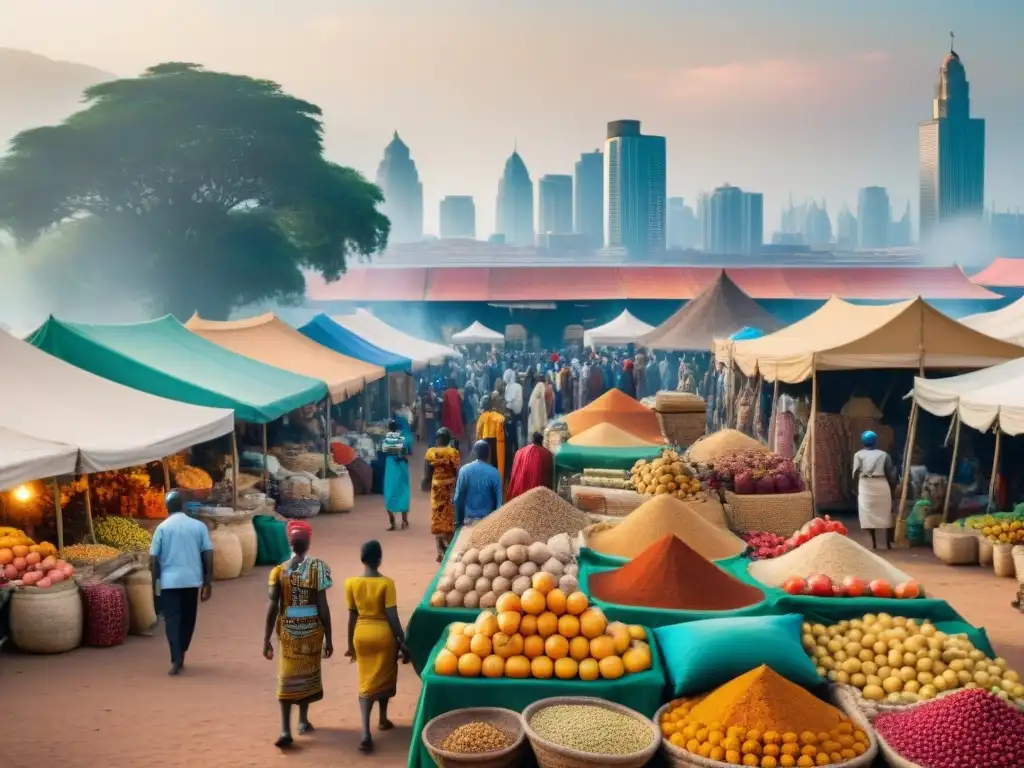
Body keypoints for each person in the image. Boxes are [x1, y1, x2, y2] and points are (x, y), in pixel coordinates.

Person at [263, 520, 333, 749]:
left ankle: (285, 728)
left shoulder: (278, 572)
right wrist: (329, 638)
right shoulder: (319, 568)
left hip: (289, 632)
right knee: (307, 676)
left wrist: (266, 639)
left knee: (286, 679)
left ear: (289, 543)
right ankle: (302, 720)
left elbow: (272, 606)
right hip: (313, 631)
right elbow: (323, 606)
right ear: (309, 542)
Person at [344, 540, 410, 753]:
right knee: (385, 675)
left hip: (361, 635)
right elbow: (392, 616)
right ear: (379, 559)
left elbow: (352, 616)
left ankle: (365, 732)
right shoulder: (386, 584)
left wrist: (350, 644)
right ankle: (382, 719)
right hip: (383, 636)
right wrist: (402, 640)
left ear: (362, 559)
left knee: (366, 681)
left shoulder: (351, 583)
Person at [149, 489, 213, 676]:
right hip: (192, 581)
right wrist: (208, 582)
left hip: (169, 582)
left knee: (172, 620)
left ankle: (175, 656)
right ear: (183, 506)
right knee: (188, 619)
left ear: (167, 507)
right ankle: (182, 651)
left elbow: (153, 559)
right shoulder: (198, 526)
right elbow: (208, 554)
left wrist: (155, 584)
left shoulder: (162, 528)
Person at [852, 430, 898, 550]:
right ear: (875, 441)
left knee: (868, 515)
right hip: (881, 484)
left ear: (863, 441)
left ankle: (874, 544)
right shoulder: (884, 455)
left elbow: (855, 473)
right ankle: (888, 544)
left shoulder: (858, 455)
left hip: (865, 485)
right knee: (886, 514)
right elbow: (890, 473)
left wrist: (855, 488)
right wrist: (893, 488)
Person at [422, 428, 462, 562]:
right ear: (448, 439)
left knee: (437, 517)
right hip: (449, 488)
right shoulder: (453, 453)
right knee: (449, 517)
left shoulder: (431, 453)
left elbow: (427, 473)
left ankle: (440, 551)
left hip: (436, 488)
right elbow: (457, 471)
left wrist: (426, 482)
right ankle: (449, 548)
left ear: (437, 439)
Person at [454, 441, 503, 526]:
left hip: (468, 521)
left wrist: (458, 522)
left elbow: (458, 499)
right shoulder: (495, 473)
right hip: (488, 523)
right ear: (488, 455)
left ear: (474, 453)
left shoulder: (464, 471)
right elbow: (499, 503)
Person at [381, 419, 411, 531]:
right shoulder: (402, 439)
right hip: (402, 467)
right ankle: (404, 521)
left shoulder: (386, 439)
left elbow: (383, 449)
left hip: (391, 468)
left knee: (390, 492)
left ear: (389, 428)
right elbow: (405, 451)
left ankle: (392, 521)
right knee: (403, 491)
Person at [507, 432, 554, 500]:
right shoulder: (547, 454)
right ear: (542, 441)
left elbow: (514, 472)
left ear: (532, 440)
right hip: (537, 494)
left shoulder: (520, 452)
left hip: (519, 493)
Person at [475, 395, 507, 480]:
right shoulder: (498, 416)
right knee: (495, 461)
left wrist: (478, 439)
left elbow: (478, 431)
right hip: (496, 442)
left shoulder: (482, 417)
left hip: (484, 441)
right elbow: (502, 421)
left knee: (486, 461)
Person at [503, 368, 524, 454]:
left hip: (509, 413)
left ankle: (511, 455)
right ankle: (516, 453)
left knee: (510, 436)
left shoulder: (508, 387)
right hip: (516, 414)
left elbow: (507, 400)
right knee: (516, 436)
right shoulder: (518, 386)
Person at [527, 374, 548, 439]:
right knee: (539, 422)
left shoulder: (537, 385)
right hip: (538, 406)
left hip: (534, 406)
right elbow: (542, 395)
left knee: (535, 421)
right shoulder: (541, 385)